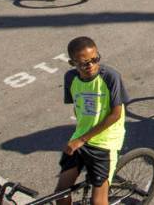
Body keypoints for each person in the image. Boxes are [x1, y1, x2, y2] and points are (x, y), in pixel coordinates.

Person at [57, 36, 128, 205]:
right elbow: (77, 106)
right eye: (83, 63)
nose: (91, 66)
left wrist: (82, 139)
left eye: (95, 59)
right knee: (60, 194)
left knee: (98, 202)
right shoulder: (70, 78)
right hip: (81, 137)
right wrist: (80, 136)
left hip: (105, 141)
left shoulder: (111, 77)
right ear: (72, 63)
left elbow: (116, 114)